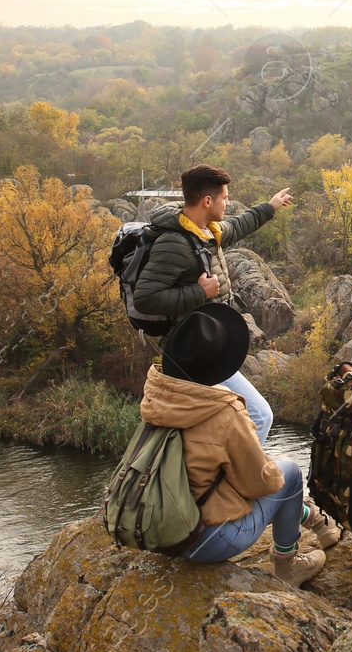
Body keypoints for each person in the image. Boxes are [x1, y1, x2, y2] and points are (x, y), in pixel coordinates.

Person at [139, 303, 340, 585]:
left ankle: (306, 515)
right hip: (206, 542)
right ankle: (287, 564)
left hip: (160, 532)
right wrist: (275, 478)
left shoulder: (157, 400)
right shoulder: (224, 412)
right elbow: (259, 484)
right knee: (290, 475)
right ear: (221, 367)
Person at [133, 163, 294, 444]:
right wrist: (199, 292)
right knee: (258, 415)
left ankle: (216, 481)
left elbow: (237, 225)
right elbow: (145, 299)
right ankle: (238, 483)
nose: (228, 202)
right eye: (225, 197)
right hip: (190, 353)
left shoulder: (206, 232)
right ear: (208, 201)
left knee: (218, 428)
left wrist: (270, 206)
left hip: (206, 348)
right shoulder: (175, 242)